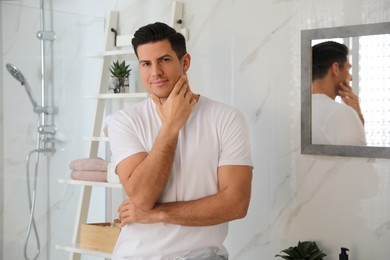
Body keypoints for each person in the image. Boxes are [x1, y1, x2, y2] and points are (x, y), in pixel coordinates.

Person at [108, 22, 253, 260]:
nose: (155, 72)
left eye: (164, 60)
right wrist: (171, 126)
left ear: (185, 62)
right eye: (146, 63)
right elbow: (143, 197)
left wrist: (158, 214)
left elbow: (236, 204)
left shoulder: (226, 119)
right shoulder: (124, 121)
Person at [311, 41, 367, 146]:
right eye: (348, 68)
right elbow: (360, 161)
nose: (351, 78)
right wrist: (357, 117)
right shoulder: (341, 113)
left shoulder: (299, 110)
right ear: (335, 68)